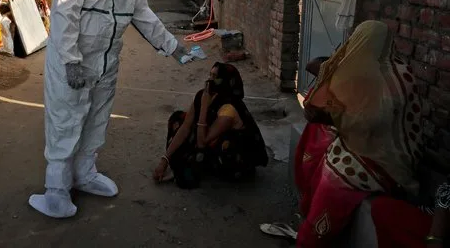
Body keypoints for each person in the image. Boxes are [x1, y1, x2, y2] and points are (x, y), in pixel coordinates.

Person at [28, 0, 188, 218]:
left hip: (106, 65)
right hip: (73, 64)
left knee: (96, 121)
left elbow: (143, 14)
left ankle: (85, 174)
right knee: (66, 122)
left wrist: (173, 47)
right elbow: (65, 15)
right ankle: (56, 192)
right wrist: (71, 62)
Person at [294, 20, 425, 246]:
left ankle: (313, 234)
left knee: (336, 173)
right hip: (362, 143)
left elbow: (373, 120)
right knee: (323, 147)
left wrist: (331, 115)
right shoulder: (359, 70)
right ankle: (310, 213)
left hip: (387, 157)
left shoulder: (397, 77)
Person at [153, 62, 268, 188]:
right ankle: (193, 162)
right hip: (209, 137)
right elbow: (185, 127)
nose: (210, 80)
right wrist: (164, 160)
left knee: (218, 145)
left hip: (233, 153)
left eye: (215, 77)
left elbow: (202, 142)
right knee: (178, 119)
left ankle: (204, 166)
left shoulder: (229, 108)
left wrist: (204, 107)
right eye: (210, 75)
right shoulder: (204, 95)